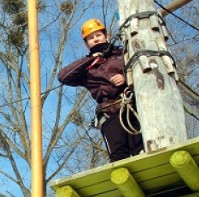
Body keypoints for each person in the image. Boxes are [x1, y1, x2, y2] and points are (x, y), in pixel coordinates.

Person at [58, 18, 144, 162]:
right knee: (118, 154)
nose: (96, 40)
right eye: (91, 38)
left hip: (131, 106)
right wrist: (90, 60)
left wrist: (126, 78)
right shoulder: (86, 69)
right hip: (109, 111)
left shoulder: (121, 54)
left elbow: (141, 69)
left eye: (98, 35)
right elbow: (63, 77)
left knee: (140, 149)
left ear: (107, 36)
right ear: (86, 44)